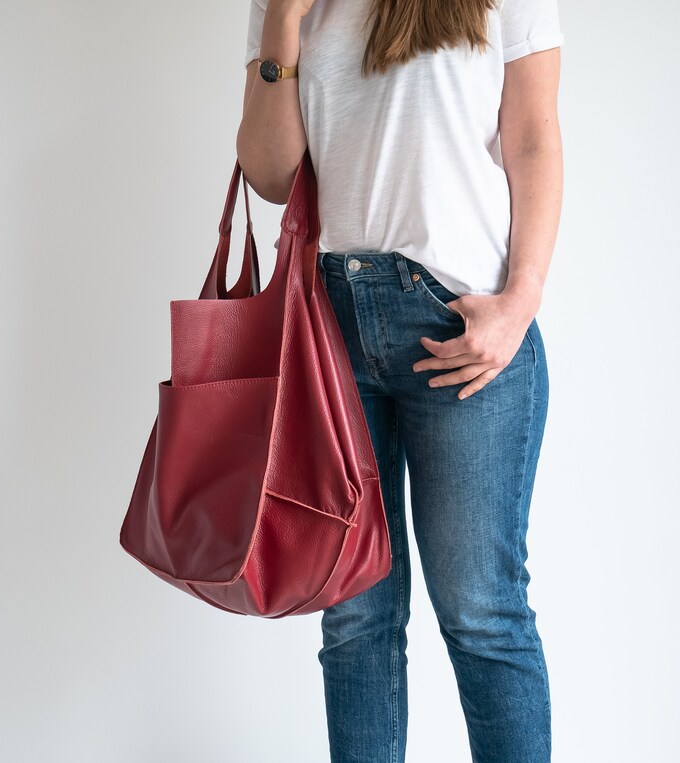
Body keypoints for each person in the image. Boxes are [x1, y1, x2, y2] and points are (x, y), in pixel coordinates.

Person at [237, 0, 564, 760]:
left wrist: (523, 299)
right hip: (329, 332)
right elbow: (270, 173)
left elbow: (535, 137)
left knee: (482, 613)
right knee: (354, 619)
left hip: (461, 329)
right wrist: (284, 20)